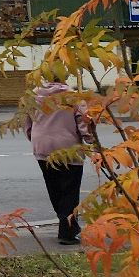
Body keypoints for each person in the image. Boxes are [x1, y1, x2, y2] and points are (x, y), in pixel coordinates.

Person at [23, 76, 93, 246]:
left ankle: (67, 224)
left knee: (54, 188)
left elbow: (27, 123)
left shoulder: (33, 96)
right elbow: (83, 122)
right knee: (69, 190)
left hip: (42, 147)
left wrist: (34, 138)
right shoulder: (73, 96)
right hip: (68, 150)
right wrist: (90, 140)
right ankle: (67, 232)